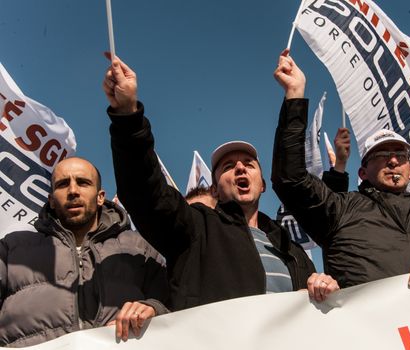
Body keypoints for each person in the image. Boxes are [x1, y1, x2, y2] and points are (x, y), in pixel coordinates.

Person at [102, 54, 337, 311]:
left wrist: (322, 287)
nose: (239, 168)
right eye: (228, 167)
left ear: (263, 185)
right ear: (214, 189)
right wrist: (127, 116)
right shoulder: (195, 229)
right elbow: (145, 191)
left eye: (248, 164)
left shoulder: (291, 249)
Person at [272, 50, 410, 289]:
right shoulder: (341, 210)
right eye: (382, 156)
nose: (393, 162)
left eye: (400, 156)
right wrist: (294, 95)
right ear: (363, 172)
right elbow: (290, 179)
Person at [0, 157, 169, 347]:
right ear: (51, 200)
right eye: (63, 184)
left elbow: (177, 304)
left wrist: (153, 308)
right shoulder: (11, 249)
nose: (73, 191)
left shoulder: (140, 248)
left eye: (83, 183)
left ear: (100, 197)